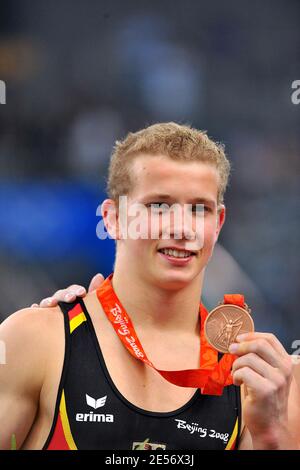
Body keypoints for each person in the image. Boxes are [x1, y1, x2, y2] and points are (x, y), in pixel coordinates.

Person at [0, 122, 299, 450]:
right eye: (159, 206)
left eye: (200, 209)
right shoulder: (35, 341)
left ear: (219, 223)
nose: (182, 228)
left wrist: (271, 436)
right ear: (113, 218)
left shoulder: (258, 380)